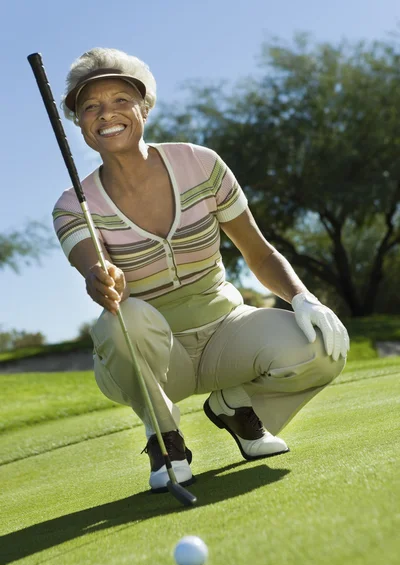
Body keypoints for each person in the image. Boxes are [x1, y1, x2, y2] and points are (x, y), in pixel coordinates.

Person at [53, 48, 349, 492]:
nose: (106, 114)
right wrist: (103, 278)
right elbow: (93, 266)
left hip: (227, 330)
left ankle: (236, 407)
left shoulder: (201, 164)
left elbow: (259, 252)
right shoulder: (71, 206)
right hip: (152, 353)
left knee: (323, 348)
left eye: (120, 100)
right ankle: (164, 438)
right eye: (90, 106)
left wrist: (302, 296)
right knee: (123, 318)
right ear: (79, 123)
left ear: (144, 107)